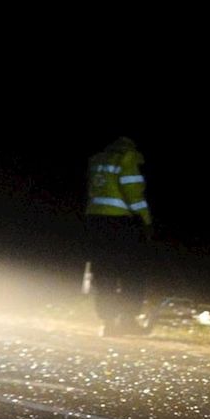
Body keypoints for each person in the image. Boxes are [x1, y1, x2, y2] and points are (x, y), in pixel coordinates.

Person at [84, 136, 153, 336]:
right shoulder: (127, 158)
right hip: (122, 224)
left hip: (96, 222)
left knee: (104, 273)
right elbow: (134, 195)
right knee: (132, 273)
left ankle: (108, 322)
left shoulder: (98, 160)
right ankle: (127, 320)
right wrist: (146, 221)